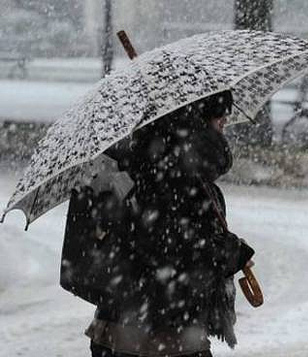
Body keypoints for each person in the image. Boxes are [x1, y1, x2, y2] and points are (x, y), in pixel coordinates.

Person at [74, 91, 254, 357]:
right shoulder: (180, 180)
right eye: (219, 116)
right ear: (197, 122)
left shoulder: (127, 167)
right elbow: (184, 251)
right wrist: (234, 252)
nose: (224, 123)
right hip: (168, 338)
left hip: (113, 331)